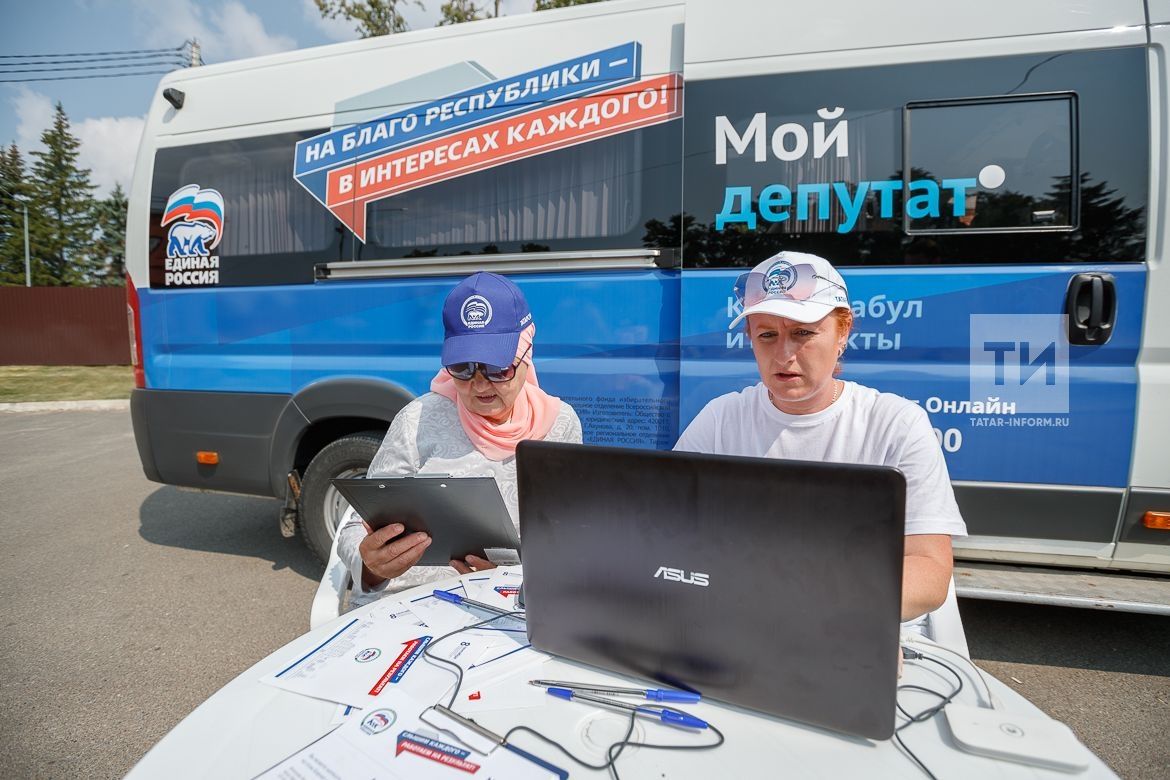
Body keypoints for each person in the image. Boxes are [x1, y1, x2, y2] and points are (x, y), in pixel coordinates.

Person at [674, 251, 966, 629]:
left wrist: (825, 609)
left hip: (857, 626)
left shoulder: (896, 424)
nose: (784, 354)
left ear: (842, 333)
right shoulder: (720, 419)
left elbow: (929, 570)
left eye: (803, 333)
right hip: (741, 623)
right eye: (767, 335)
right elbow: (667, 535)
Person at [337, 271, 582, 608]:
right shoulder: (419, 419)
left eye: (497, 368)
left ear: (526, 353)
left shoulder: (560, 427)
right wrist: (372, 566)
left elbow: (569, 538)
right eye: (462, 368)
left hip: (507, 608)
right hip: (405, 604)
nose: (479, 385)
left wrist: (512, 575)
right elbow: (354, 527)